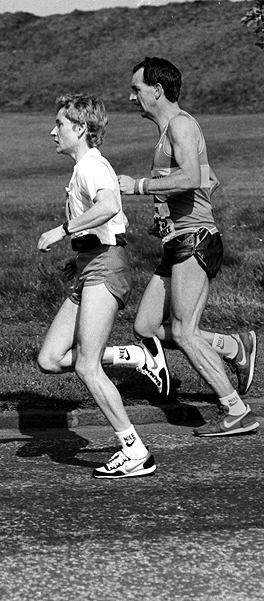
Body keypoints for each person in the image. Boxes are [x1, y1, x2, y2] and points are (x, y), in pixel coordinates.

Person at [118, 57, 258, 437]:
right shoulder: (170, 130)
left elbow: (194, 176)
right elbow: (209, 178)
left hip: (196, 240)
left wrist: (141, 186)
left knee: (182, 331)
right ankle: (232, 346)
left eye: (137, 89)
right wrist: (167, 211)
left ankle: (236, 411)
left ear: (157, 90)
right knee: (146, 326)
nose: (132, 97)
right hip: (179, 239)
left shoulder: (180, 124)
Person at [37, 93, 169, 480]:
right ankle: (136, 356)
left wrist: (62, 230)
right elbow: (101, 223)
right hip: (90, 265)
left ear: (80, 129)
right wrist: (77, 254)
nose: (53, 131)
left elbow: (110, 205)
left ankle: (135, 451)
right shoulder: (84, 167)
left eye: (59, 124)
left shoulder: (91, 166)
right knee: (50, 359)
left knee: (86, 366)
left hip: (105, 269)